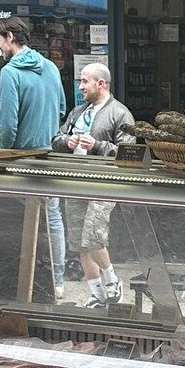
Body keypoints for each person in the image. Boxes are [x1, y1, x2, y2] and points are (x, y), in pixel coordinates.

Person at [0, 16, 69, 292]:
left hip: (20, 158)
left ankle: (24, 281)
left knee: (19, 220)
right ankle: (57, 281)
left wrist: (3, 156)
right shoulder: (50, 67)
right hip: (48, 155)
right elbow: (62, 108)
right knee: (53, 217)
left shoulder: (10, 72)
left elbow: (9, 123)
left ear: (11, 37)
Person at [54, 62, 137, 307]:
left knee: (94, 237)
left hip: (102, 184)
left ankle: (112, 281)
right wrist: (67, 142)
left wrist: (98, 146)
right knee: (79, 241)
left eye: (85, 81)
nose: (80, 87)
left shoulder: (120, 113)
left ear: (100, 83)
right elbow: (56, 138)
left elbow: (129, 151)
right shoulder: (78, 112)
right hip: (75, 182)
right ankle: (96, 293)